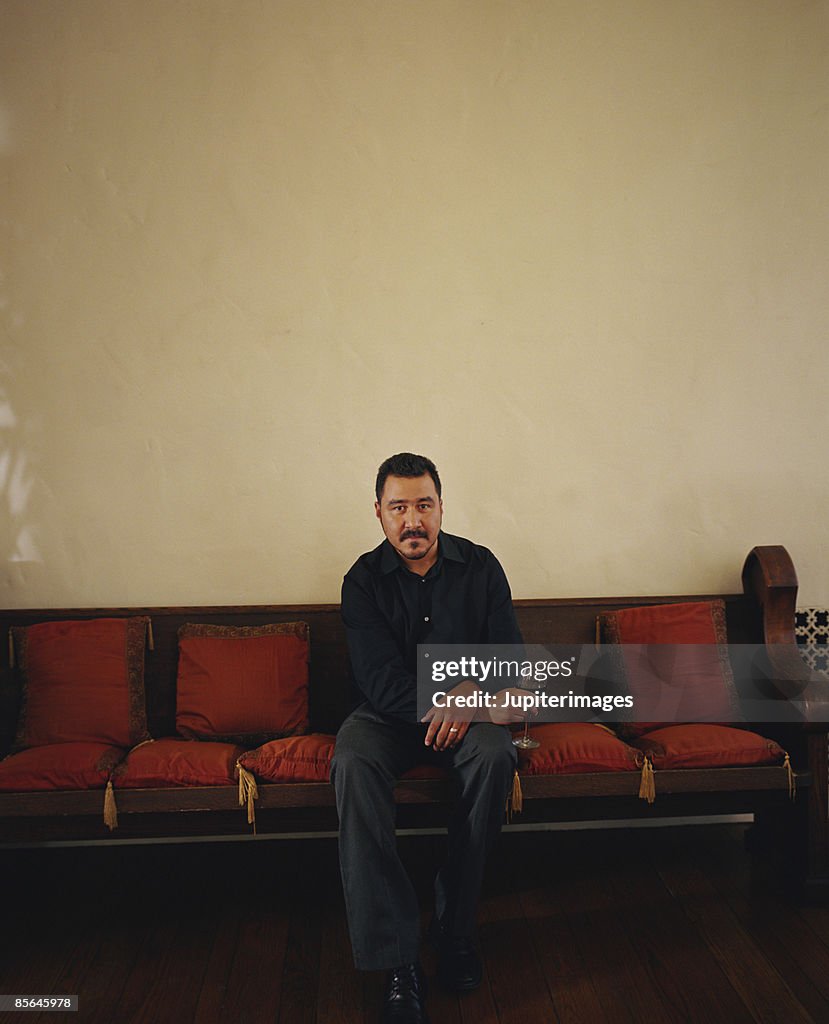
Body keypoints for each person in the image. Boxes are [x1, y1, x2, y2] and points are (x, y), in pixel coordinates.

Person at [330, 452, 524, 1024]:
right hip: (388, 719)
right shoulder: (362, 580)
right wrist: (443, 703)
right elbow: (378, 677)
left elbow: (509, 659)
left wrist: (469, 696)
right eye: (398, 508)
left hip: (470, 718)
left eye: (423, 505)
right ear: (379, 514)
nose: (412, 520)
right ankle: (398, 959)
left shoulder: (482, 566)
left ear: (441, 507)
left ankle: (455, 928)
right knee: (352, 760)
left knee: (495, 755)